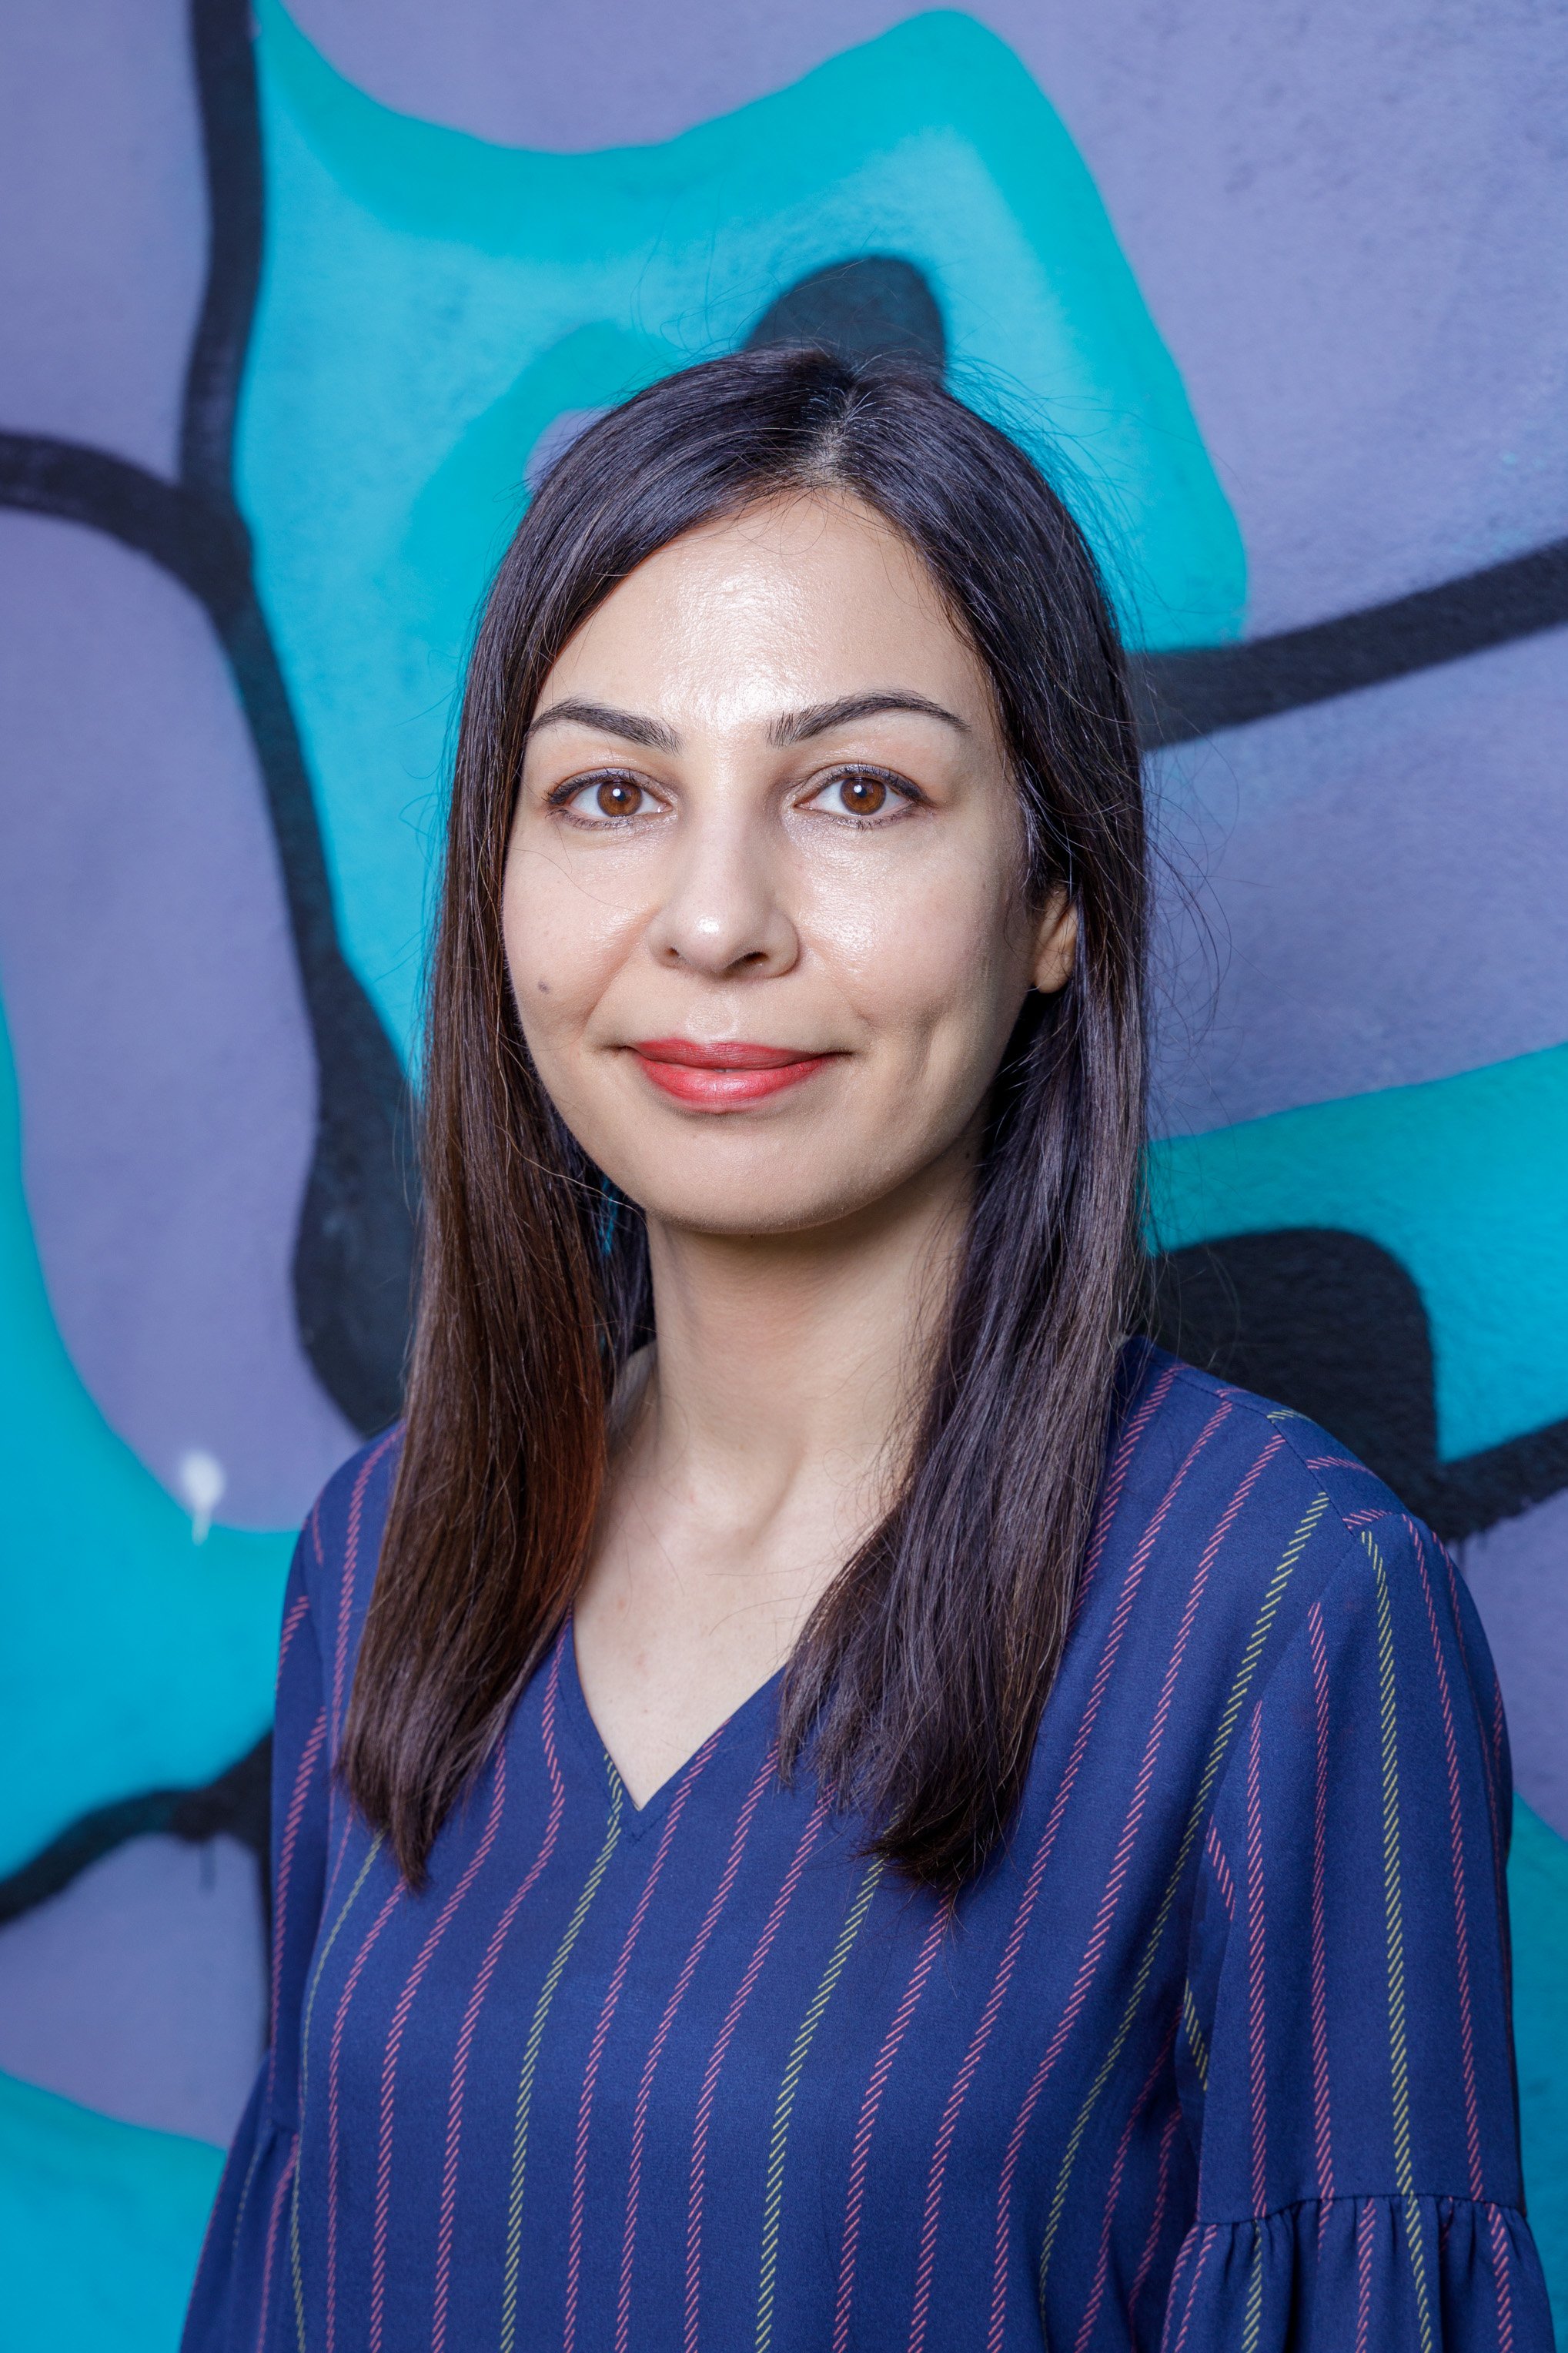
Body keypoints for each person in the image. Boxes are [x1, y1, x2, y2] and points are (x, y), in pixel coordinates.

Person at [183, 347, 1550, 2351]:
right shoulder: (382, 1555)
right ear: (502, 881)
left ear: (1057, 895)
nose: (715, 918)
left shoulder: (1285, 1617)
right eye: (612, 792)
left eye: (857, 790)